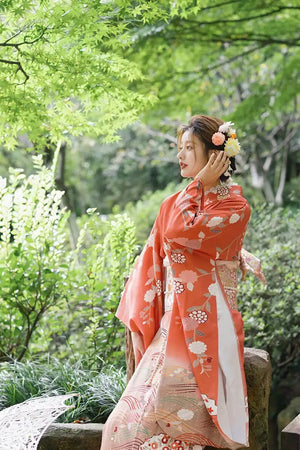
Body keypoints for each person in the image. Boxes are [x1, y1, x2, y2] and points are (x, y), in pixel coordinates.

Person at [101, 115, 265, 450]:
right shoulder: (173, 204)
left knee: (182, 431)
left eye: (190, 147)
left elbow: (179, 231)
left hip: (208, 330)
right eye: (179, 148)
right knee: (124, 428)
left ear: (217, 154)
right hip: (171, 325)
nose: (181, 154)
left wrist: (200, 185)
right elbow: (169, 238)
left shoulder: (236, 206)